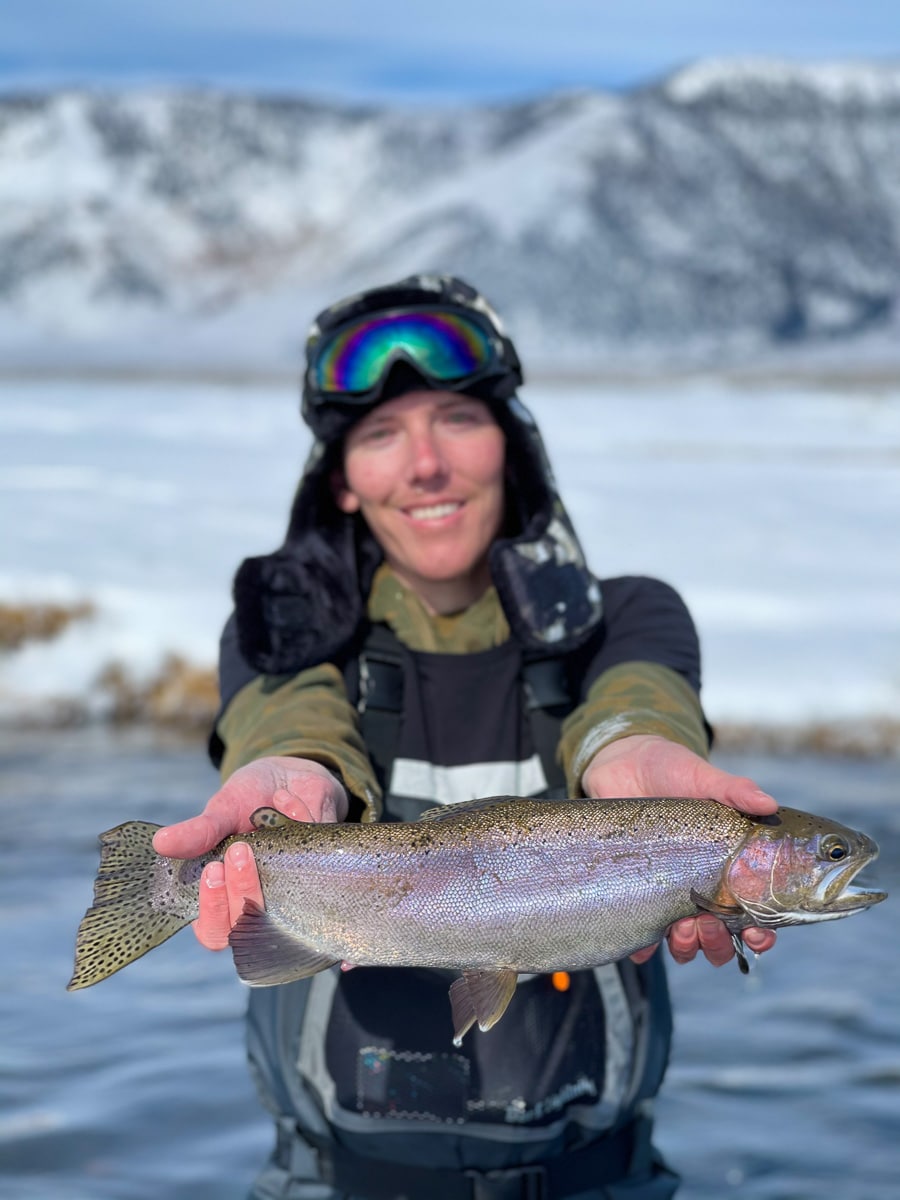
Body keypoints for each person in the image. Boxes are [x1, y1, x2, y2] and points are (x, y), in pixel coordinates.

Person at [154, 274, 777, 1200]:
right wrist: (293, 774)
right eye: (380, 435)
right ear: (344, 484)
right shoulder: (284, 632)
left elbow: (634, 704)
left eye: (455, 419)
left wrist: (637, 761)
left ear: (512, 446)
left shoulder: (628, 618)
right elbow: (291, 718)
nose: (425, 466)